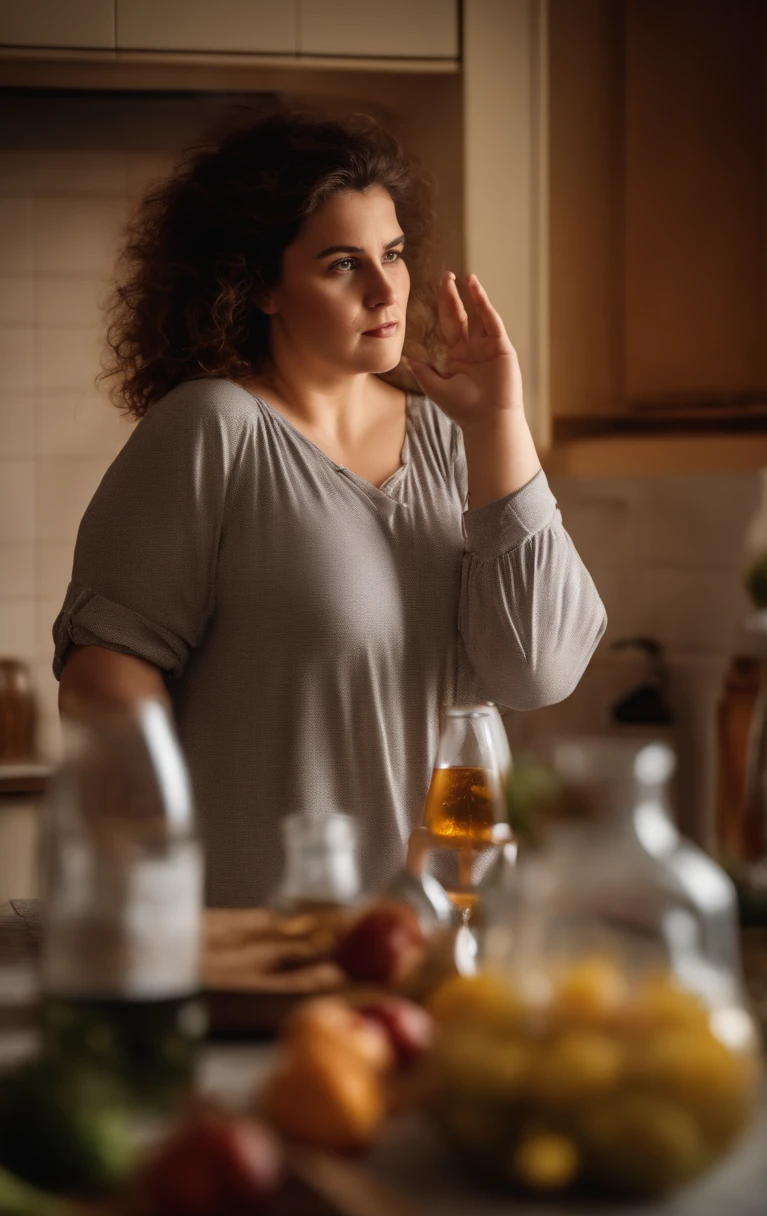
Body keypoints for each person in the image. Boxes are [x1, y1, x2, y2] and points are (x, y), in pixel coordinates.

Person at [53, 105, 606, 906]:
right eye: (344, 264)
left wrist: (498, 422)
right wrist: (159, 879)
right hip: (273, 933)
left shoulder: (456, 438)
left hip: (452, 931)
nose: (385, 290)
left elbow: (537, 671)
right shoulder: (214, 430)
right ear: (260, 286)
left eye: (393, 254)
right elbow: (103, 679)